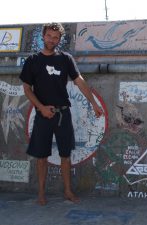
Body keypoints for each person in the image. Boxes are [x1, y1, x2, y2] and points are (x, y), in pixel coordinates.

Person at [19, 22, 103, 206]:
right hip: (43, 115)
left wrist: (94, 104)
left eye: (55, 37)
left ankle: (67, 191)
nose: (51, 40)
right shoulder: (32, 61)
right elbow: (26, 88)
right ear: (43, 36)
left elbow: (79, 81)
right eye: (49, 36)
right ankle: (41, 193)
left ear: (59, 39)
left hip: (63, 115)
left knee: (66, 155)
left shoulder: (66, 59)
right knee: (41, 157)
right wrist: (40, 107)